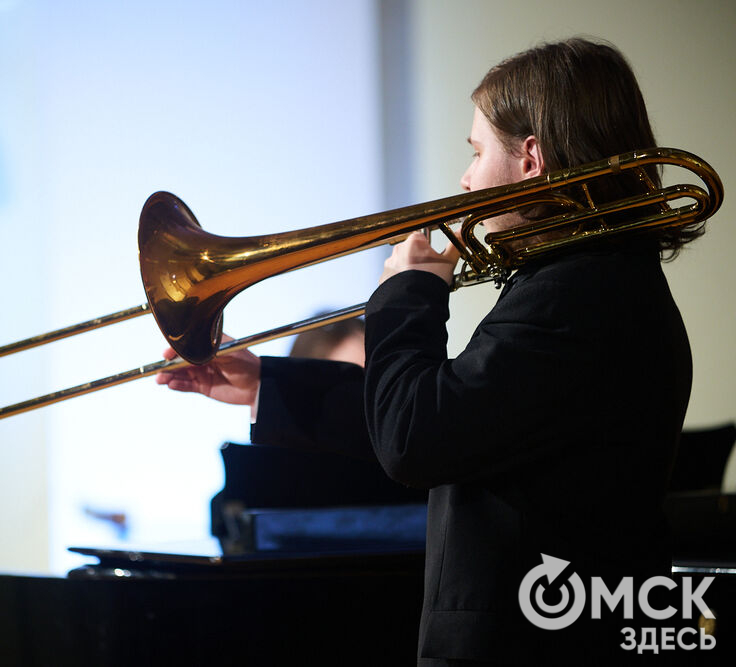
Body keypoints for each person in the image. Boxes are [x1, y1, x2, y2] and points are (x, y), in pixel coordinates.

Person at [157, 38, 701, 665]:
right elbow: (454, 420)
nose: (466, 180)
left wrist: (406, 293)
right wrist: (264, 386)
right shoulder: (589, 283)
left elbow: (415, 439)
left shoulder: (579, 292)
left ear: (531, 158)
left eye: (476, 152)